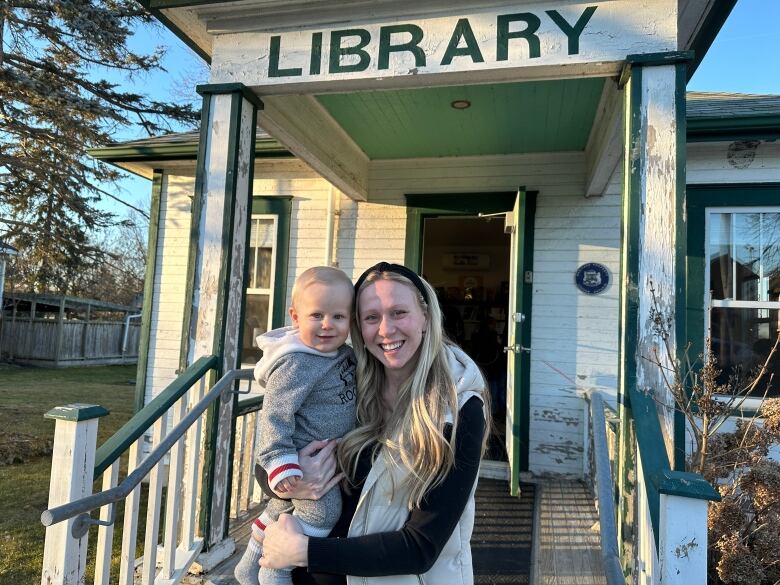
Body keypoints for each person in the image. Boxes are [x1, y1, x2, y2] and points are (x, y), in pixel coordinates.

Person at [258, 262, 488, 585]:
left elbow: (421, 547)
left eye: (398, 313)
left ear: (425, 316)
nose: (385, 329)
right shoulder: (350, 383)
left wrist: (303, 552)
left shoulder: (457, 408)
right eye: (371, 317)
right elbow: (274, 446)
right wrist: (295, 479)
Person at [234, 266, 358, 585]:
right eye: (317, 315)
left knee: (279, 509)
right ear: (295, 317)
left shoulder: (341, 354)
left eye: (338, 317)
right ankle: (276, 569)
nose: (328, 325)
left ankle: (247, 566)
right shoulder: (297, 363)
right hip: (302, 460)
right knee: (322, 513)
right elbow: (276, 414)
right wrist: (280, 462)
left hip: (323, 455)